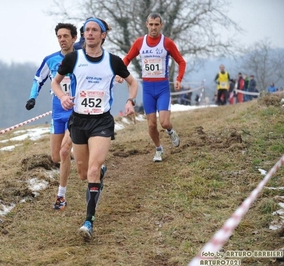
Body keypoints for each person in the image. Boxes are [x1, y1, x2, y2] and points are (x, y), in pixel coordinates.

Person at [51, 17, 138, 240]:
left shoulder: (113, 61)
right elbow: (55, 82)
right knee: (83, 173)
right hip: (79, 121)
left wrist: (130, 101)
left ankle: (88, 221)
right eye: (86, 30)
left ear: (103, 35)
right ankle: (98, 175)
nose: (89, 34)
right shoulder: (73, 58)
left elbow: (133, 82)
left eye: (94, 30)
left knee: (92, 169)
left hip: (101, 122)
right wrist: (62, 97)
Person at [117, 13, 186, 162]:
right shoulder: (140, 42)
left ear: (161, 25)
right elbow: (128, 58)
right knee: (151, 124)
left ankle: (171, 131)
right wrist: (120, 73)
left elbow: (181, 61)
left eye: (156, 24)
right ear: (146, 24)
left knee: (165, 122)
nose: (154, 27)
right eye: (151, 24)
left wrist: (179, 79)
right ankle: (159, 149)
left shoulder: (167, 43)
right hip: (148, 89)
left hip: (162, 88)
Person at [25, 23, 78, 210]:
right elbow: (38, 79)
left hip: (76, 113)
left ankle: (61, 196)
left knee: (65, 152)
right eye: (59, 36)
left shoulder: (81, 59)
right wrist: (32, 98)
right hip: (57, 114)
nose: (62, 39)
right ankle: (86, 161)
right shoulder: (51, 60)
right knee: (56, 157)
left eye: (66, 36)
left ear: (74, 38)